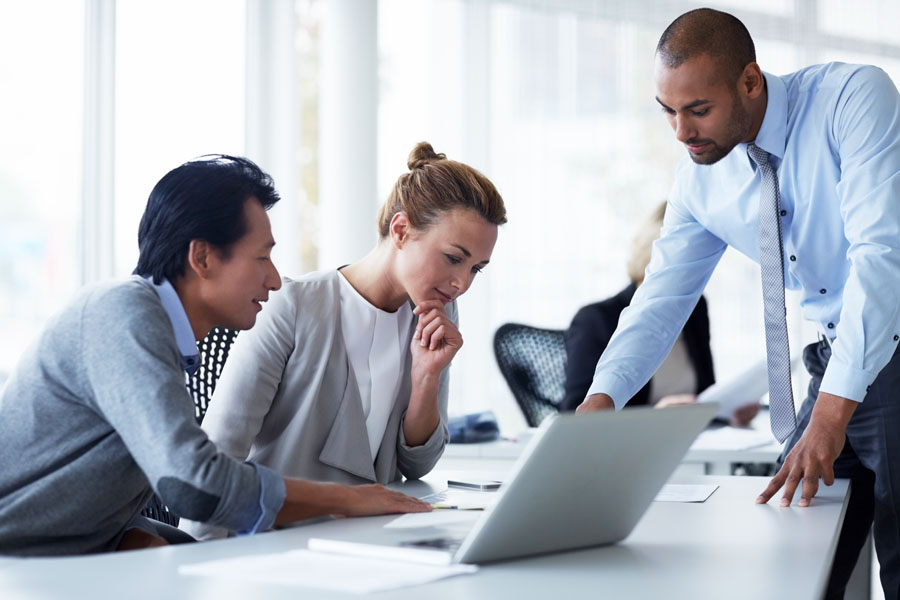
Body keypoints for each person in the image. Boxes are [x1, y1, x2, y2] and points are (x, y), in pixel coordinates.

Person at [577, 8, 900, 598]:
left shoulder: (852, 98)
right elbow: (659, 299)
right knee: (799, 550)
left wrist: (828, 416)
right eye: (668, 111)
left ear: (750, 81)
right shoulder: (700, 177)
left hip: (892, 346)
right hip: (834, 357)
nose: (681, 131)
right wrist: (600, 401)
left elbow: (882, 259)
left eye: (698, 110)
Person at [0, 155, 429, 556]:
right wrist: (347, 500)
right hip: (22, 556)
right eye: (262, 257)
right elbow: (193, 484)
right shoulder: (123, 314)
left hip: (77, 546)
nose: (276, 280)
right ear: (202, 257)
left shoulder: (161, 331)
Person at [181, 142, 506, 540]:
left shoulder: (435, 314)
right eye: (454, 258)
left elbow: (418, 466)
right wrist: (196, 563)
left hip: (371, 543)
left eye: (477, 269)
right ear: (400, 230)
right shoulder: (295, 305)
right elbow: (218, 455)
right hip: (274, 545)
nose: (462, 284)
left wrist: (425, 377)